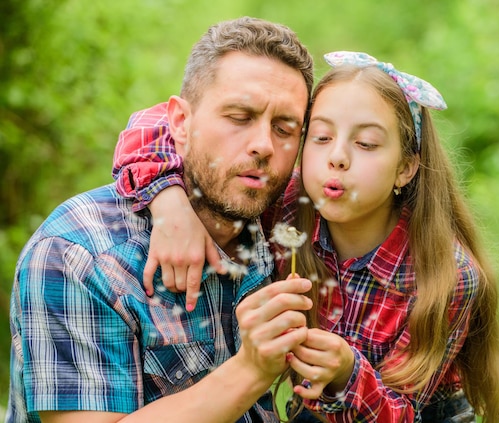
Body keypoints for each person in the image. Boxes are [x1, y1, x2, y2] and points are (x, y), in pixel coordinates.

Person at [110, 50, 499, 422]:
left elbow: (404, 412)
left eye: (366, 143)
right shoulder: (287, 204)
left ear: (406, 168)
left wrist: (348, 372)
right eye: (321, 137)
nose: (337, 157)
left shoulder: (444, 275)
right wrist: (170, 203)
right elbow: (154, 124)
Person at [7, 16, 317, 423]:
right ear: (181, 123)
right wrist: (251, 369)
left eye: (284, 128)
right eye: (239, 117)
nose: (263, 145)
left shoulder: (280, 223)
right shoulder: (79, 254)